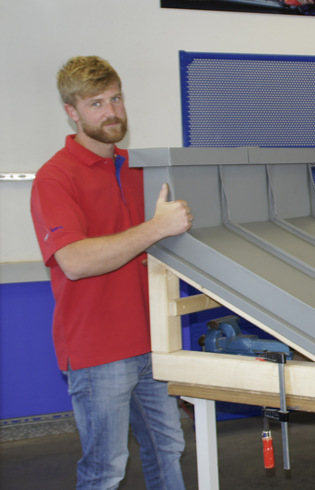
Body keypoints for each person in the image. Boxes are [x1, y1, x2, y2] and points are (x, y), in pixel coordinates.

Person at [30, 56, 192, 489]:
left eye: (116, 98)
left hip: (151, 344)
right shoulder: (54, 178)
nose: (112, 112)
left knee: (168, 450)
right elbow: (76, 261)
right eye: (96, 103)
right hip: (97, 352)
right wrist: (157, 227)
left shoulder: (140, 167)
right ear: (72, 111)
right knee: (106, 469)